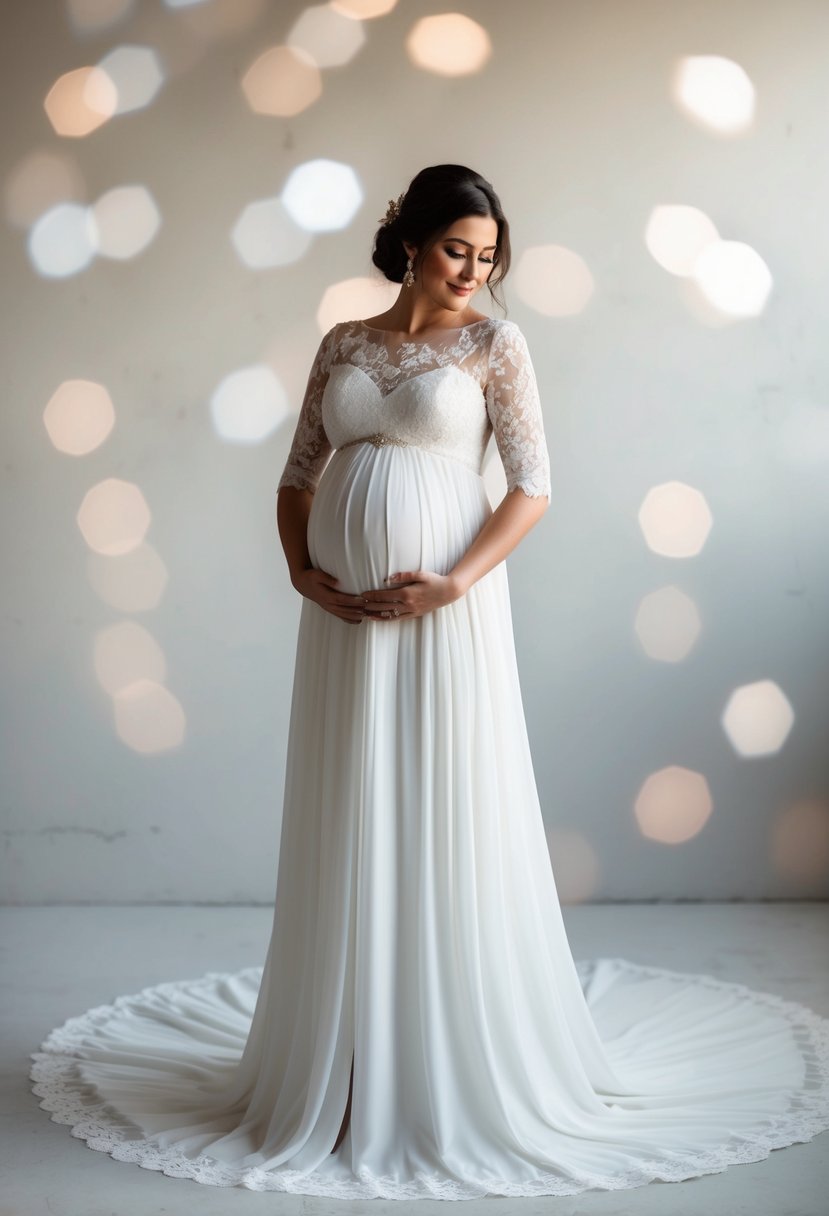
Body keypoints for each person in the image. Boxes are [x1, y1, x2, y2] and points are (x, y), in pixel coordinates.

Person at [30, 164, 829, 1201]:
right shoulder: (345, 344)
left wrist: (453, 580)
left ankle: (446, 1059)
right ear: (409, 240)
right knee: (353, 798)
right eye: (458, 248)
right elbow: (296, 475)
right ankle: (347, 1056)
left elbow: (533, 488)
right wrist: (299, 569)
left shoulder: (498, 345)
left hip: (445, 612)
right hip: (346, 621)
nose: (473, 271)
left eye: (489, 256)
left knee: (439, 798)